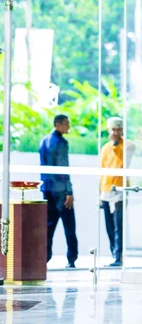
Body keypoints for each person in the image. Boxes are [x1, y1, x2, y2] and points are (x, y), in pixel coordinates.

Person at [39, 114, 78, 268]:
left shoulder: (44, 141)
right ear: (57, 125)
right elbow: (63, 167)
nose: (68, 127)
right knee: (69, 226)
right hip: (61, 191)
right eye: (66, 124)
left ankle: (44, 257)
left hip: (47, 189)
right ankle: (72, 258)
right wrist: (69, 191)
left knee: (49, 226)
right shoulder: (61, 142)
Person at [99, 117, 135, 267]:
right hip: (106, 190)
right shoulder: (105, 148)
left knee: (118, 225)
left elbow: (128, 153)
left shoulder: (127, 146)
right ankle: (114, 253)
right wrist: (99, 193)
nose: (115, 132)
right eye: (113, 129)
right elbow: (101, 170)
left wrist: (117, 142)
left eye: (118, 129)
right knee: (109, 225)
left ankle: (118, 255)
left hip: (120, 191)